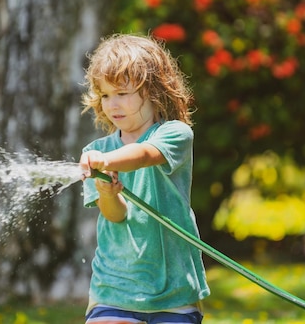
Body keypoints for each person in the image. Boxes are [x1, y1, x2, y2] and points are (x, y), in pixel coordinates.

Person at [79, 33, 210, 324]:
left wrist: (109, 163)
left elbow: (144, 154)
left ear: (152, 90)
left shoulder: (175, 134)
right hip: (115, 287)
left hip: (174, 290)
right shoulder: (95, 152)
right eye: (105, 95)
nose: (112, 105)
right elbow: (115, 216)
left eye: (122, 93)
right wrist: (108, 192)